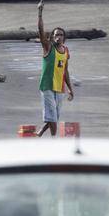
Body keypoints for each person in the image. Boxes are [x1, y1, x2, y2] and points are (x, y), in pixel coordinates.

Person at [35, 9, 74, 137]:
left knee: (54, 117)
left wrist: (70, 88)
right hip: (47, 86)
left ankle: (39, 133)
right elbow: (41, 32)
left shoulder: (66, 51)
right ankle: (54, 141)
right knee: (52, 116)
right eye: (56, 35)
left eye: (61, 35)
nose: (58, 37)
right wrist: (40, 14)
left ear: (64, 38)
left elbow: (65, 71)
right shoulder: (48, 47)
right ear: (52, 37)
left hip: (59, 88)